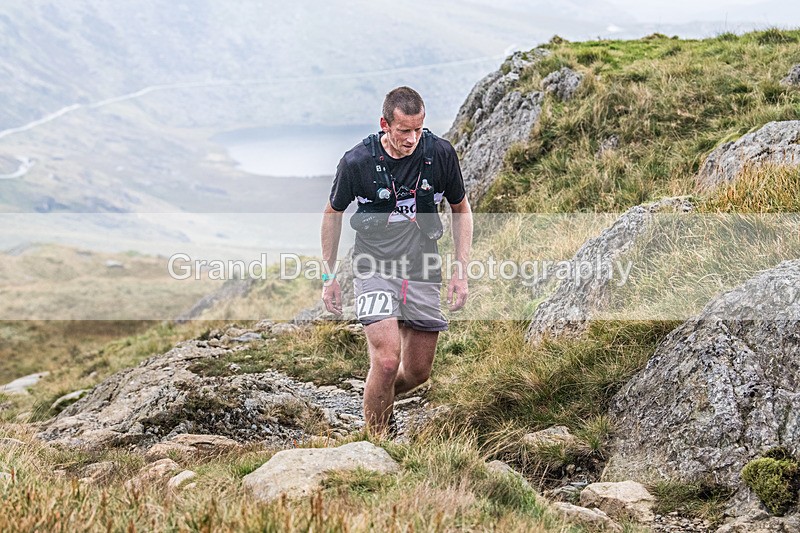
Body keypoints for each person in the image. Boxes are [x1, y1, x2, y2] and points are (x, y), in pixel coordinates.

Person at [320, 86, 473, 436]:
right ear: (385, 124)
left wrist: (460, 270)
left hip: (422, 268)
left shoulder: (440, 154)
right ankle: (376, 443)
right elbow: (333, 213)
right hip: (374, 268)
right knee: (387, 361)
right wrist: (329, 275)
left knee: (418, 372)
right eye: (404, 130)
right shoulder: (357, 162)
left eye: (419, 129)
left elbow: (460, 208)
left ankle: (376, 398)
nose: (412, 139)